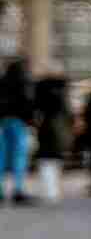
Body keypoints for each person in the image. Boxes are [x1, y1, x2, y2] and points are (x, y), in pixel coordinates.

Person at [0, 58, 36, 204]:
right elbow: (28, 102)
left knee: (2, 156)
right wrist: (30, 120)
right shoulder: (23, 81)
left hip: (3, 122)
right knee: (19, 156)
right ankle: (18, 190)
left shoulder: (2, 81)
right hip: (19, 122)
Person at [33, 70, 72, 202]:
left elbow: (36, 108)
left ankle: (50, 191)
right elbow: (67, 110)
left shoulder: (40, 88)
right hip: (57, 127)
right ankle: (53, 191)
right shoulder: (61, 90)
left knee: (46, 159)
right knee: (55, 158)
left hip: (46, 127)